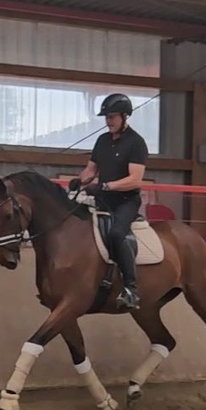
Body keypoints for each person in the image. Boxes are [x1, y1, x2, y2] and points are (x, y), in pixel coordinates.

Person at [68, 92, 148, 310]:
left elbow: (135, 179)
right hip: (101, 198)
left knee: (115, 234)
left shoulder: (136, 143)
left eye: (112, 117)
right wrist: (79, 180)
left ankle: (131, 288)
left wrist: (107, 186)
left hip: (125, 201)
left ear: (124, 117)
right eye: (106, 117)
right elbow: (92, 170)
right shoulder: (102, 140)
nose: (108, 121)